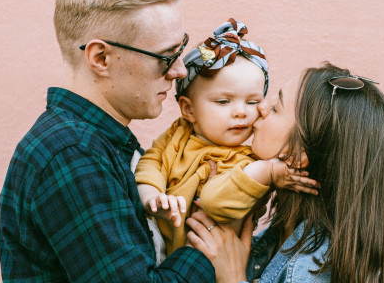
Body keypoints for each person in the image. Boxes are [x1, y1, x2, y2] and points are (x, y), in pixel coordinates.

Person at [0, 0, 251, 282]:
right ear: (101, 58)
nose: (180, 70)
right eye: (166, 56)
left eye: (182, 48)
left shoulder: (99, 143)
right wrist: (213, 242)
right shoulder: (73, 154)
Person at [134, 18, 319, 259]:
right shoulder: (176, 135)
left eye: (253, 102)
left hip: (209, 266)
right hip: (161, 256)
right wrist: (150, 195)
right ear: (189, 110)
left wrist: (267, 172)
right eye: (223, 101)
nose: (241, 111)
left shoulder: (249, 164)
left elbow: (215, 203)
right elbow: (151, 164)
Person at [236, 62, 384, 282]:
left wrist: (231, 277)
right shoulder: (286, 227)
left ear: (298, 155)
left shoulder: (312, 269)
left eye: (276, 108)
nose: (261, 108)